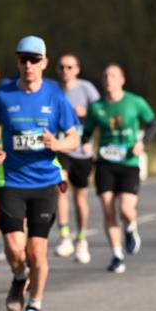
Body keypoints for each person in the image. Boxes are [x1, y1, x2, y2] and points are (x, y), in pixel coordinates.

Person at [0, 36, 80, 311]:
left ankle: (35, 305)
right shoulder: (4, 94)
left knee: (37, 250)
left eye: (34, 60)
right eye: (23, 59)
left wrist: (58, 144)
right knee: (14, 248)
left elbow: (75, 137)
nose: (28, 65)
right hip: (11, 180)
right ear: (17, 61)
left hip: (45, 182)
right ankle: (20, 276)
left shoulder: (55, 95)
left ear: (44, 63)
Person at [82, 64, 156, 273]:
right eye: (105, 76)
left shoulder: (135, 102)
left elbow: (152, 124)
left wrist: (143, 143)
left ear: (122, 80)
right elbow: (86, 131)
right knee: (108, 211)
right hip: (105, 163)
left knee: (125, 209)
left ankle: (131, 227)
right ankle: (117, 254)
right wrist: (85, 141)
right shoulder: (96, 107)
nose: (108, 79)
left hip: (129, 162)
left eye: (113, 76)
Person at [53, 53, 99, 263]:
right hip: (60, 149)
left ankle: (81, 238)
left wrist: (86, 112)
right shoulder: (52, 90)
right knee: (60, 190)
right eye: (62, 67)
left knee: (80, 197)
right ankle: (64, 236)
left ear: (77, 69)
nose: (65, 71)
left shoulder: (86, 88)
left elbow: (102, 112)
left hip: (82, 151)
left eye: (70, 67)